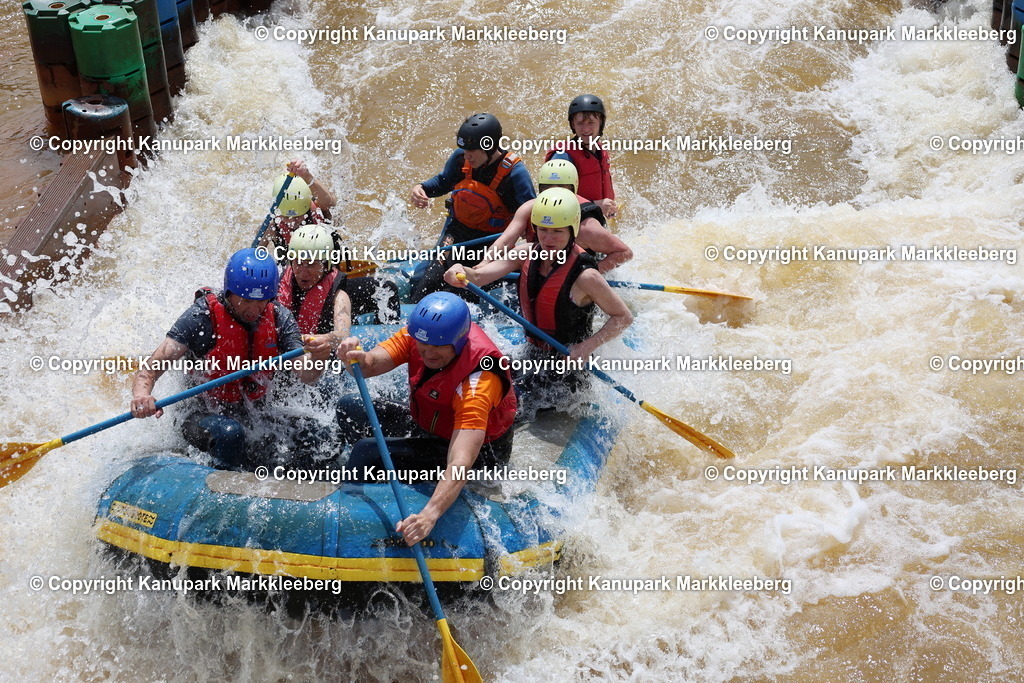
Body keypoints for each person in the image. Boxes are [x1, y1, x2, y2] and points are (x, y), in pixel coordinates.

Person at [336, 293, 517, 546]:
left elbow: (461, 460)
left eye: (438, 347)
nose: (428, 353)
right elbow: (370, 365)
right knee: (350, 407)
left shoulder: (478, 381)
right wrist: (355, 356)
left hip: (479, 455)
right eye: (424, 344)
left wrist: (429, 515)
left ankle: (351, 523)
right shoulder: (422, 334)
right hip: (430, 425)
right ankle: (372, 480)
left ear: (459, 341)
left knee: (368, 452)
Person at [130, 248, 333, 471]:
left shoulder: (280, 317)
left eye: (262, 301)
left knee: (314, 433)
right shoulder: (201, 317)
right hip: (200, 415)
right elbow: (151, 368)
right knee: (230, 433)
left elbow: (307, 375)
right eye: (246, 300)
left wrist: (319, 358)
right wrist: (142, 395)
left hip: (254, 412)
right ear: (229, 292)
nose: (254, 309)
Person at [444, 188, 632, 415]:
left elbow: (623, 316)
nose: (548, 239)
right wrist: (458, 270)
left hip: (566, 372)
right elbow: (479, 277)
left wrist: (586, 347)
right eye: (543, 230)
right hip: (532, 354)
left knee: (497, 407)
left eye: (557, 232)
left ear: (573, 230)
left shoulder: (586, 276)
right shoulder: (525, 253)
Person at [409, 113, 536, 301]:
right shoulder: (461, 158)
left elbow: (530, 214)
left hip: (492, 242)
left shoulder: (515, 174)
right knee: (430, 279)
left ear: (490, 146)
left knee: (466, 290)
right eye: (465, 150)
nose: (467, 156)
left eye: (472, 151)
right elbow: (443, 182)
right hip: (456, 233)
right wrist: (421, 188)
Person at [486, 159, 632, 273]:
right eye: (547, 188)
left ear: (574, 189)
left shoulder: (586, 227)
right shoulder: (528, 209)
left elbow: (624, 252)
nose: (554, 195)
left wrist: (587, 275)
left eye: (563, 188)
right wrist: (484, 264)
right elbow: (504, 242)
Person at [546, 95, 616, 219]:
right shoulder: (563, 156)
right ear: (573, 125)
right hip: (573, 222)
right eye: (579, 123)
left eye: (591, 122)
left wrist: (609, 207)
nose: (585, 129)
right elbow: (555, 199)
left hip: (595, 217)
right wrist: (595, 204)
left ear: (601, 123)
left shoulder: (600, 150)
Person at [262, 159, 337, 255]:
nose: (292, 222)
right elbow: (256, 252)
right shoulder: (272, 225)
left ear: (308, 208)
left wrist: (307, 176)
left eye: (297, 216)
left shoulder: (319, 211)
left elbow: (331, 204)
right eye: (285, 217)